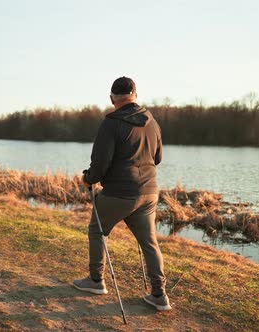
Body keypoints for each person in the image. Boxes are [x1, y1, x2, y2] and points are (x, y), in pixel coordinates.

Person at [73, 76, 171, 311]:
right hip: (149, 193)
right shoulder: (152, 122)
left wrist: (89, 178)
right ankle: (159, 295)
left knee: (97, 229)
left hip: (119, 193)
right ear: (135, 95)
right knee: (150, 243)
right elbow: (157, 158)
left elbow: (100, 162)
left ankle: (96, 281)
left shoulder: (111, 123)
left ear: (112, 99)